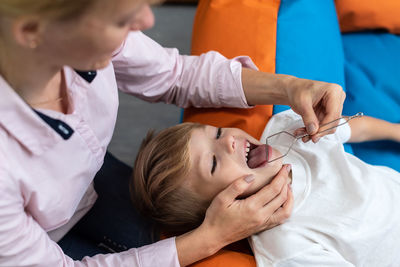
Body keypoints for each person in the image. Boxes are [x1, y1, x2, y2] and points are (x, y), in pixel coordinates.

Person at [0, 0, 345, 266]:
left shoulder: (76, 39)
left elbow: (174, 73)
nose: (147, 23)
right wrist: (210, 238)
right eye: (121, 19)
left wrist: (291, 87)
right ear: (32, 32)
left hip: (80, 185)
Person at [132, 110, 400, 266]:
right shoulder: (285, 246)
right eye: (213, 163)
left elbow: (349, 127)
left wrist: (395, 131)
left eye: (215, 133)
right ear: (222, 209)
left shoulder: (287, 131)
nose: (228, 141)